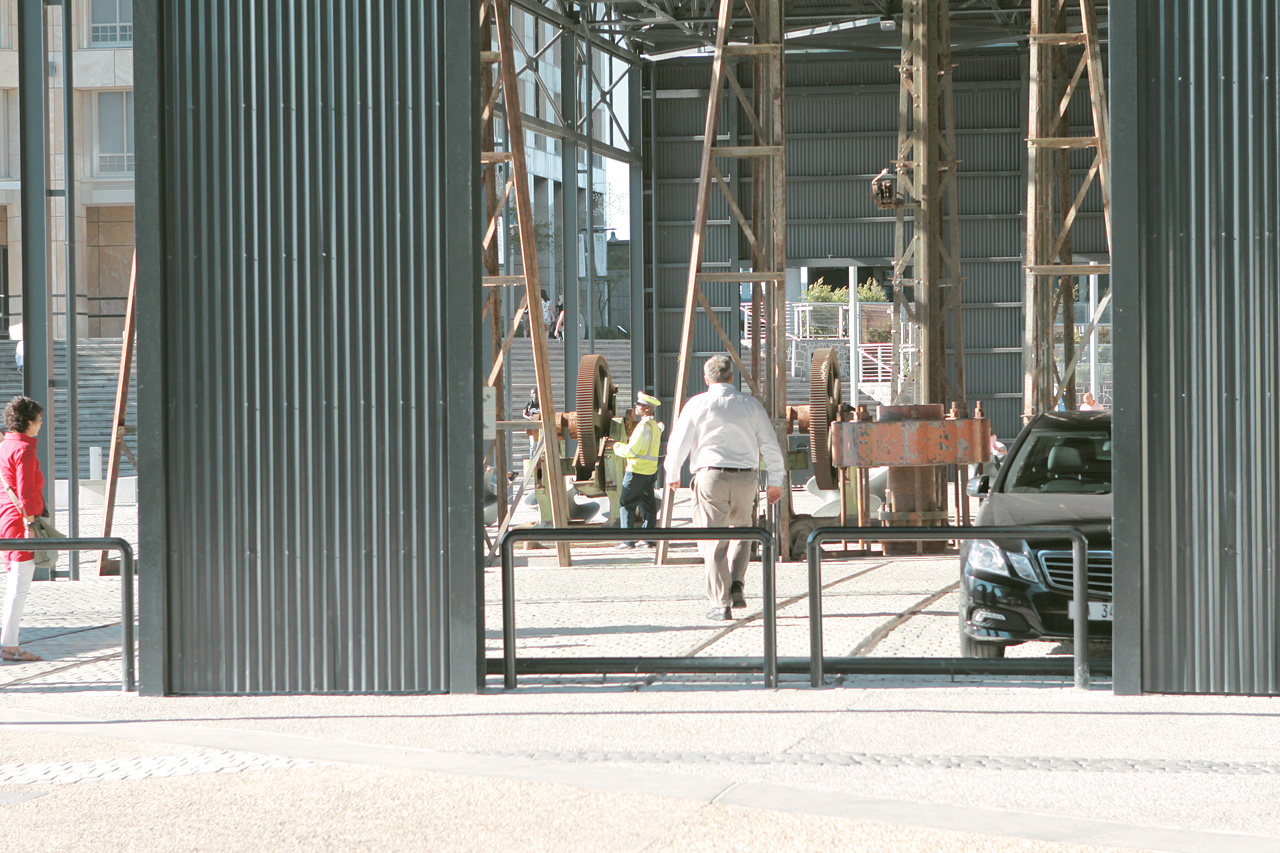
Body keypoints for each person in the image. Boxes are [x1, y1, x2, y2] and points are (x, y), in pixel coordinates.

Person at [664, 356, 785, 621]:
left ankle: (721, 603)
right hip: (746, 477)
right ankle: (737, 584)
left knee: (713, 539)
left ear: (706, 379)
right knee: (743, 531)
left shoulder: (696, 404)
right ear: (732, 378)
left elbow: (678, 443)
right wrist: (776, 480)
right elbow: (770, 444)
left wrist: (672, 473)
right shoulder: (751, 405)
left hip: (711, 477)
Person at [0, 396, 46, 662]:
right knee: (19, 586)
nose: (40, 424)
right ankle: (9, 645)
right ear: (28, 422)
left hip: (7, 520)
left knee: (14, 584)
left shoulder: (6, 445)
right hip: (21, 523)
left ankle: (9, 642)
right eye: (39, 419)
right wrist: (30, 524)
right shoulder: (25, 449)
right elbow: (26, 491)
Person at [609, 392, 664, 549]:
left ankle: (628, 541)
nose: (636, 407)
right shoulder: (655, 426)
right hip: (650, 472)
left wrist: (615, 446)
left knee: (627, 504)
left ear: (647, 409)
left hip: (636, 471)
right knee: (648, 505)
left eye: (638, 405)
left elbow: (631, 451)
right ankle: (648, 539)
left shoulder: (642, 428)